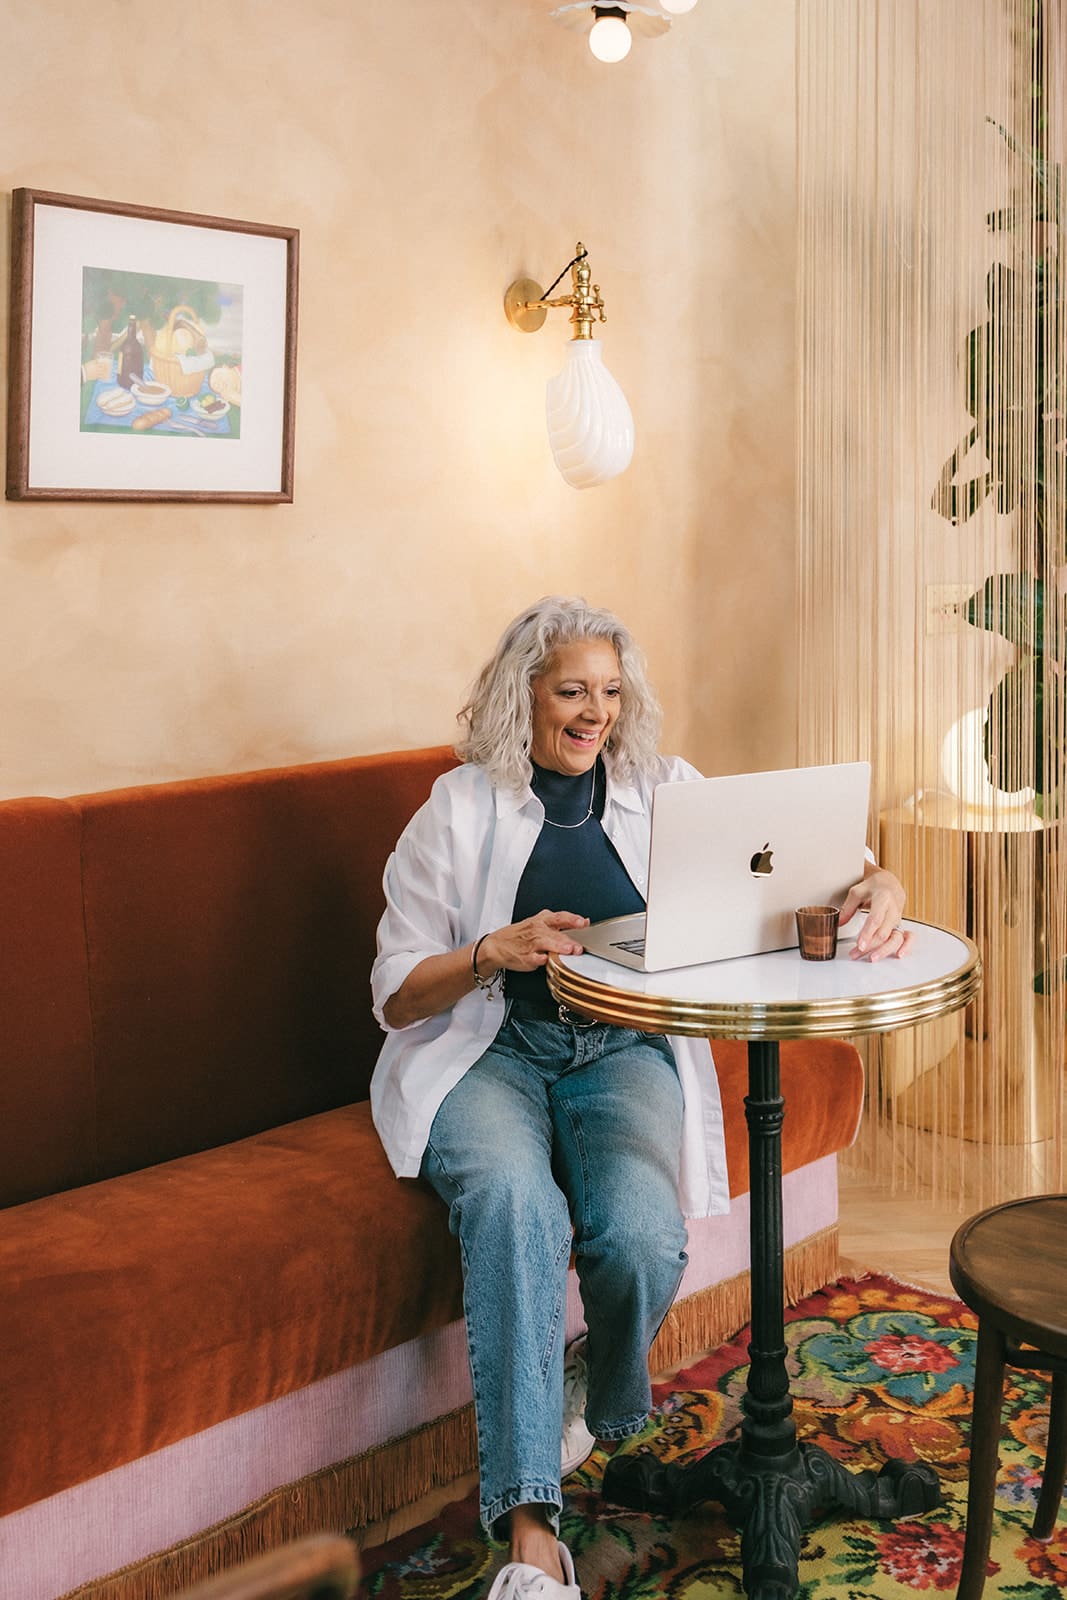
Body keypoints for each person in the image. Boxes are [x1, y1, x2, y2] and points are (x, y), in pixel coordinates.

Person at [370, 597, 910, 1600]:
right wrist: (492, 950)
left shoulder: (666, 790)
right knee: (516, 1208)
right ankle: (531, 1537)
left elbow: (810, 860)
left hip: (618, 1050)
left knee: (642, 1239)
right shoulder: (456, 809)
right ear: (522, 694)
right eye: (571, 692)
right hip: (487, 1052)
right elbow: (397, 996)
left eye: (610, 693)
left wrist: (877, 885)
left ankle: (592, 1386)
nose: (595, 714)